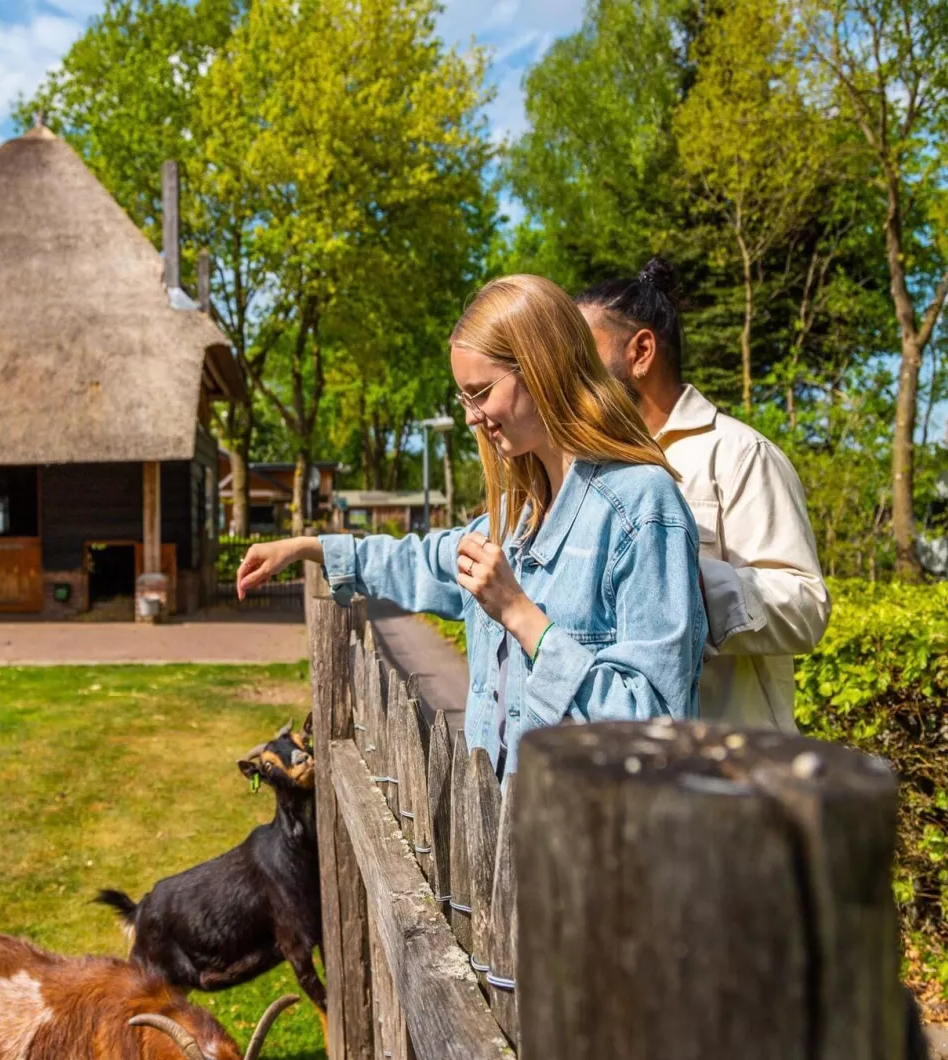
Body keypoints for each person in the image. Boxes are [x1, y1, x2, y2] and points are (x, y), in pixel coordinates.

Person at [236, 275, 706, 777]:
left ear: (543, 368)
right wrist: (309, 547)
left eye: (480, 392)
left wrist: (523, 617)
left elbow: (656, 726)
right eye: (464, 399)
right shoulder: (515, 519)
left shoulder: (641, 509)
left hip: (591, 845)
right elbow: (420, 560)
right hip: (503, 831)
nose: (471, 417)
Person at [575, 258, 830, 732]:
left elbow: (807, 607)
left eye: (582, 355)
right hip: (623, 767)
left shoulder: (739, 454)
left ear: (641, 352)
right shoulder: (584, 467)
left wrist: (679, 580)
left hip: (732, 772)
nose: (569, 376)